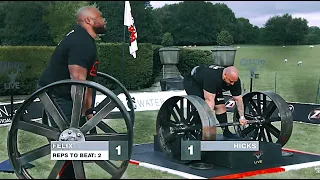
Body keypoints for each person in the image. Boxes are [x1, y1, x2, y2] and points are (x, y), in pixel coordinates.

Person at [36, 6, 107, 179]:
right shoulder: (80, 42)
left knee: (74, 144)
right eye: (100, 17)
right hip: (57, 95)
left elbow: (88, 80)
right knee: (69, 142)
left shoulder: (84, 39)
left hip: (63, 94)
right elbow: (77, 81)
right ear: (89, 21)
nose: (104, 20)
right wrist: (79, 119)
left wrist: (88, 111)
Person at [183, 64, 247, 139]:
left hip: (211, 84)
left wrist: (242, 117)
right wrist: (208, 124)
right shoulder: (212, 78)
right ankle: (198, 128)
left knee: (221, 107)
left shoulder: (234, 81)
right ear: (225, 75)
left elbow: (238, 99)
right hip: (193, 82)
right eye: (230, 81)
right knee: (202, 104)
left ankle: (226, 132)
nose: (232, 84)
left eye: (234, 82)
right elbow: (209, 100)